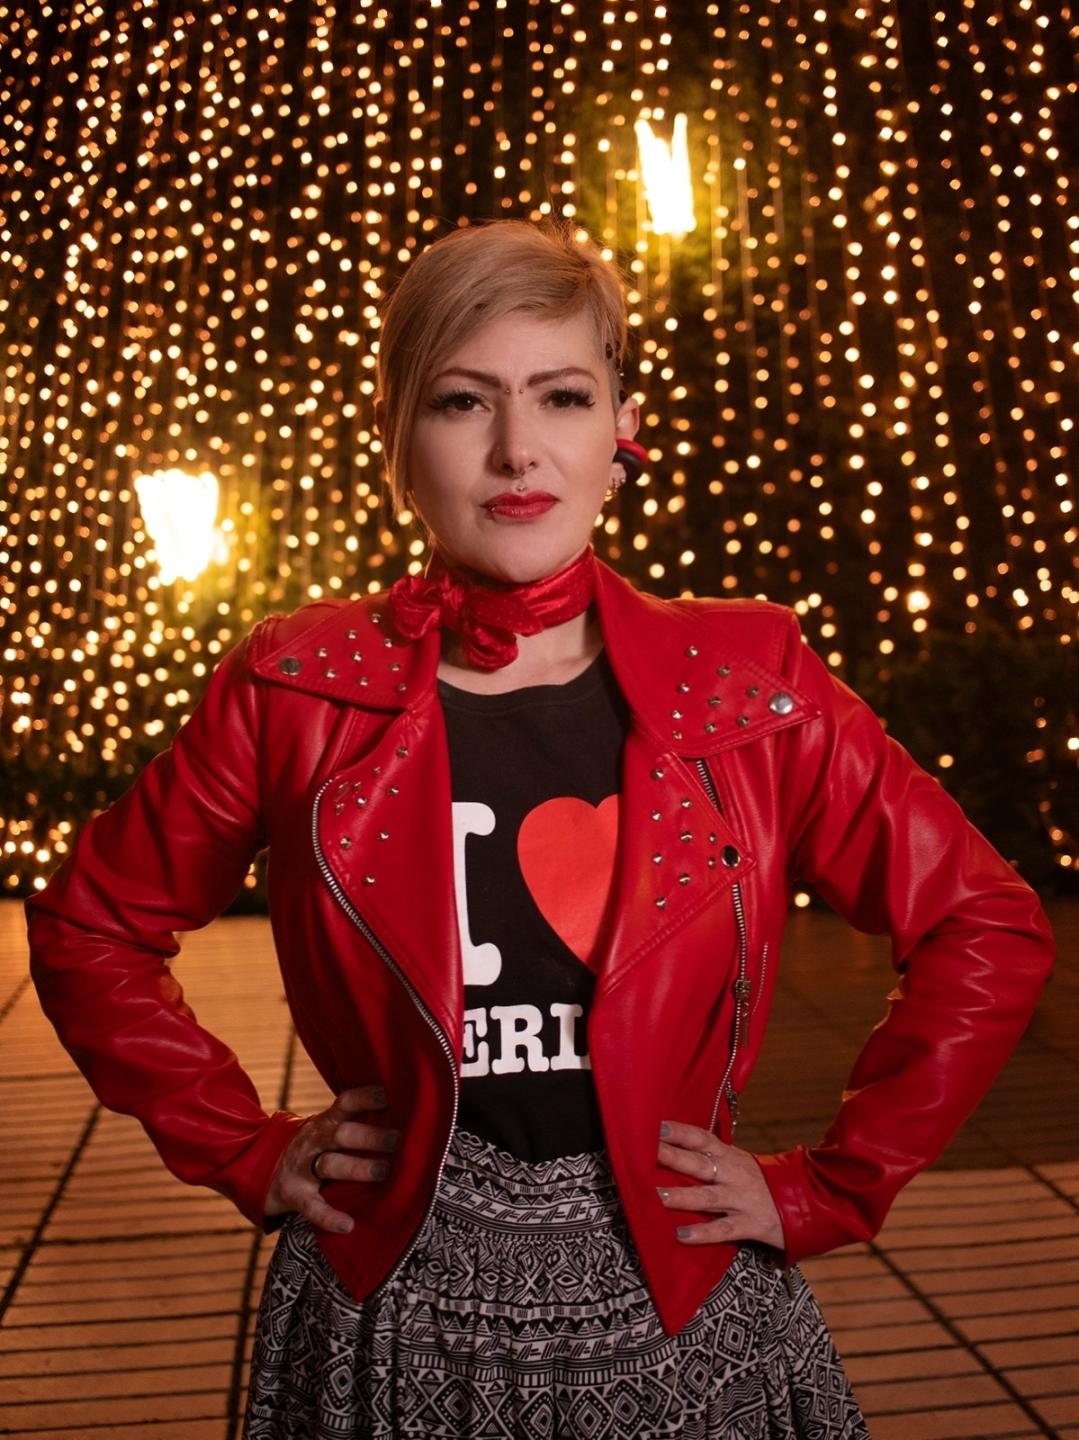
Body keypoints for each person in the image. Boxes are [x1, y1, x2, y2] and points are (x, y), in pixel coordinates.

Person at [26, 219, 1054, 1440]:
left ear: (620, 433)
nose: (517, 449)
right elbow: (91, 927)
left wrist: (827, 1187)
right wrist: (245, 1149)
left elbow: (981, 925)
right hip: (387, 1315)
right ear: (397, 440)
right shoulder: (298, 688)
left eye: (561, 396)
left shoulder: (747, 681)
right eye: (462, 402)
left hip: (681, 1311)